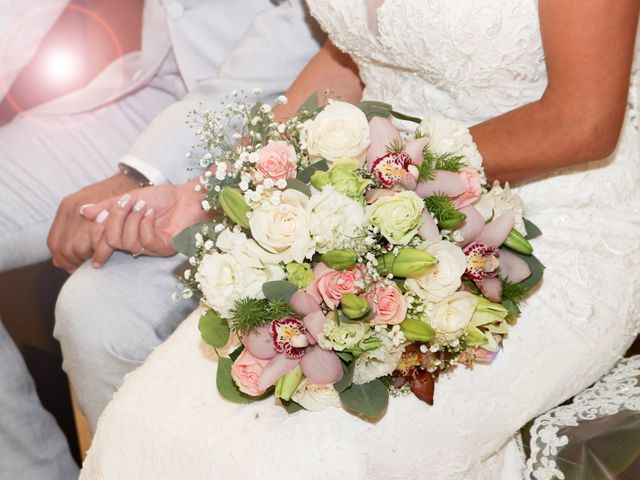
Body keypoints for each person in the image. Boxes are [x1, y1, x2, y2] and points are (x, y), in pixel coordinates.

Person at [75, 0, 640, 479]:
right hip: (365, 192)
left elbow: (581, 121)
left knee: (315, 460)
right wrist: (224, 187)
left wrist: (379, 173)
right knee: (144, 432)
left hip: (553, 220)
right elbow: (352, 49)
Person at [0, 1, 321, 478]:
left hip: (282, 95)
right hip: (163, 81)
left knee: (98, 316)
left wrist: (141, 170)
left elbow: (306, 28)